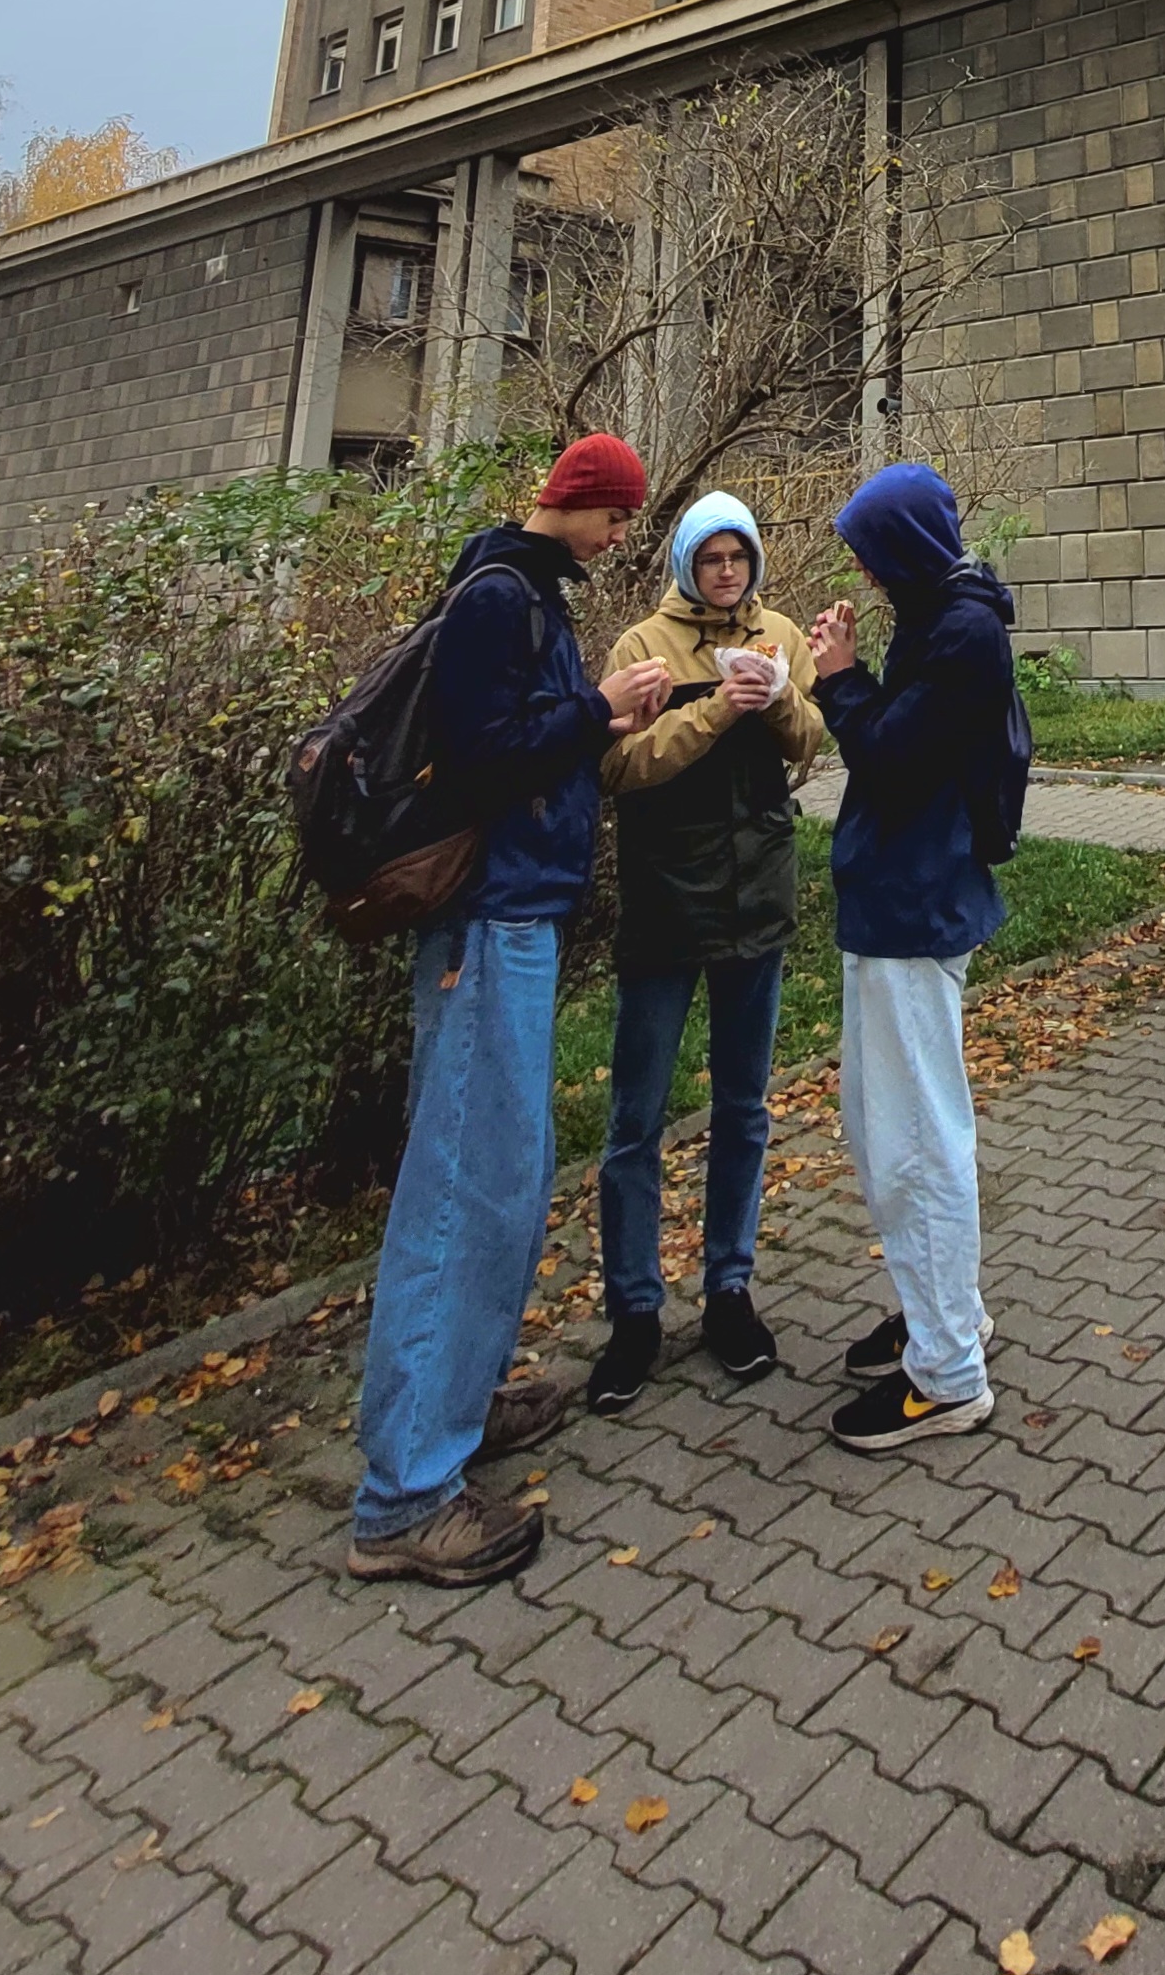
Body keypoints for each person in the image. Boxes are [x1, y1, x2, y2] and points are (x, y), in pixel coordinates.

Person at [349, 434, 666, 1588]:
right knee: (459, 1190)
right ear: (575, 499)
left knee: (505, 1179)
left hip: (516, 916)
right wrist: (595, 710)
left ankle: (462, 1402)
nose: (620, 536)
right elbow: (483, 760)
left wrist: (590, 719)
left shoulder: (524, 592)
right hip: (487, 923)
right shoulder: (498, 597)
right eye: (615, 514)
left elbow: (515, 743)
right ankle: (402, 1495)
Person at [587, 488, 824, 1414]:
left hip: (755, 901)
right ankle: (634, 1311)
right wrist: (717, 709)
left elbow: (810, 741)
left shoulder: (780, 636)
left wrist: (777, 699)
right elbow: (617, 767)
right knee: (636, 1120)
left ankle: (729, 1286)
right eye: (711, 559)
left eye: (739, 558)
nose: (727, 574)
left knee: (743, 1107)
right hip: (664, 906)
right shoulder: (643, 648)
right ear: (686, 563)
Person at [809, 463, 1030, 1451]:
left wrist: (839, 679)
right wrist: (853, 677)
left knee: (916, 1140)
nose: (858, 565)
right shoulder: (937, 613)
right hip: (900, 898)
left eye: (868, 546)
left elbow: (892, 756)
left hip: (915, 901)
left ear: (903, 546)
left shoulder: (960, 631)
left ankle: (945, 1374)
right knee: (886, 1129)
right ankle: (947, 1314)